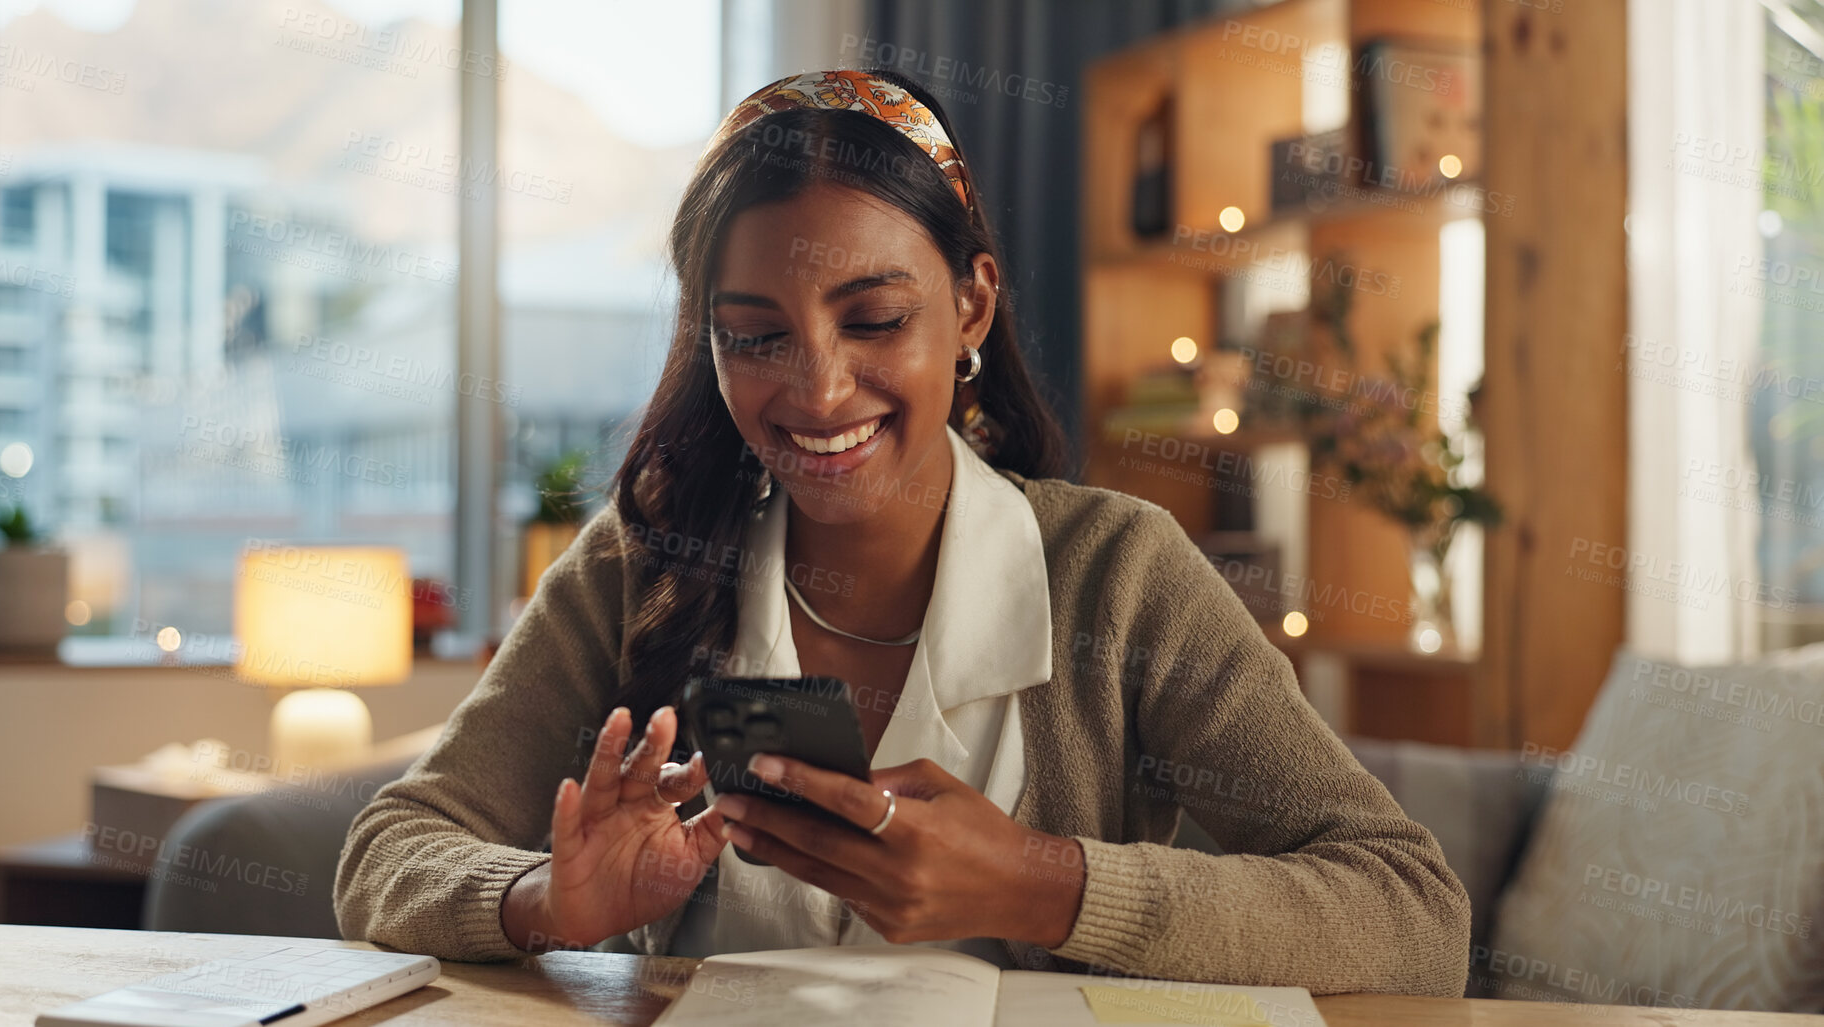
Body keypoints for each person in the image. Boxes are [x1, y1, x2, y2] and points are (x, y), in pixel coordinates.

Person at [334, 69, 1471, 995]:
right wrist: (548, 902)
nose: (818, 391)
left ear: (970, 304)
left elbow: (1411, 912)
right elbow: (391, 851)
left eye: (874, 319)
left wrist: (1042, 883)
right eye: (753, 337)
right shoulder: (646, 565)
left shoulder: (1119, 577)